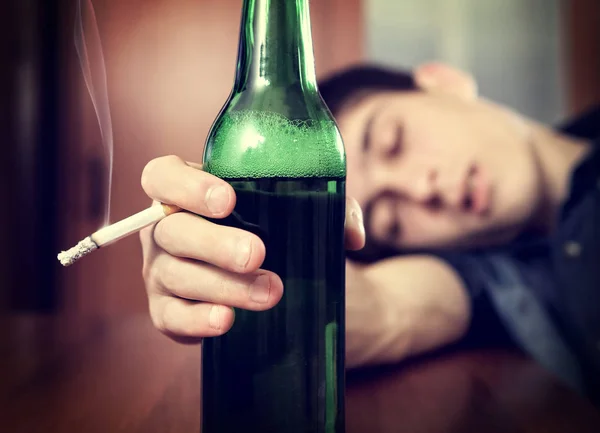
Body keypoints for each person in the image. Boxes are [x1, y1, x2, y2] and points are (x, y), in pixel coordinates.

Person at [139, 62, 600, 403]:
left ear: (442, 82)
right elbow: (384, 307)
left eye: (393, 141)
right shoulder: (506, 277)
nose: (422, 188)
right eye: (390, 221)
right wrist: (229, 249)